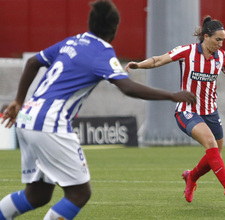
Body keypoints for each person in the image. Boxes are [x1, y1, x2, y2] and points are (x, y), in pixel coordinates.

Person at [0, 0, 196, 219]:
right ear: (114, 30)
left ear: (90, 23)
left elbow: (32, 63)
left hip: (27, 117)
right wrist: (171, 95)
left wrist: (18, 101)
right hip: (49, 123)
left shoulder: (72, 41)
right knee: (79, 193)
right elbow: (127, 87)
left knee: (37, 195)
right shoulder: (102, 51)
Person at [126, 16, 225, 203]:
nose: (221, 44)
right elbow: (159, 60)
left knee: (215, 154)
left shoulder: (220, 57)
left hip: (210, 112)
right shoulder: (187, 51)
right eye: (218, 40)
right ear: (206, 37)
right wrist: (139, 65)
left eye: (223, 40)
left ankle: (191, 177)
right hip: (187, 111)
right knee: (211, 144)